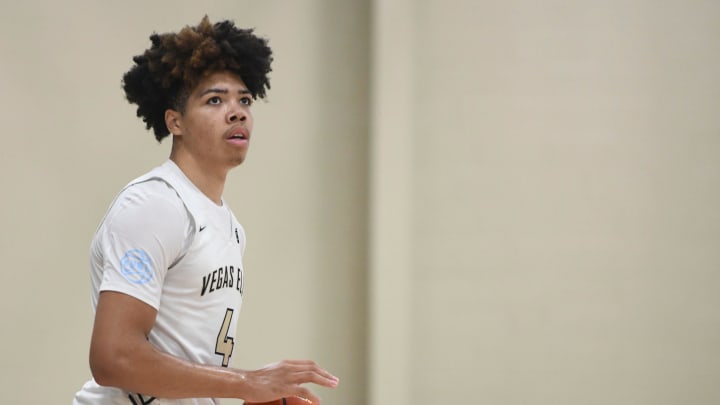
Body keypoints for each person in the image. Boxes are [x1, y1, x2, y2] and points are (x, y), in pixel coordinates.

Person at [73, 16, 339, 405]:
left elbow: (189, 366)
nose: (237, 112)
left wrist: (252, 395)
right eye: (215, 100)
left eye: (244, 100)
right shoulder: (155, 205)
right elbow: (114, 357)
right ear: (175, 121)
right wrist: (247, 382)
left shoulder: (229, 226)